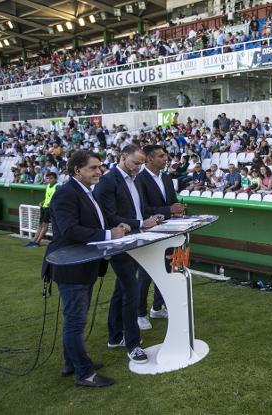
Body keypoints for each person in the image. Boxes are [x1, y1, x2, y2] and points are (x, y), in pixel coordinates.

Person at [42, 150, 128, 387]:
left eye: (100, 167)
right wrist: (109, 234)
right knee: (75, 322)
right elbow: (70, 230)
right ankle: (84, 373)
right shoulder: (65, 194)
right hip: (71, 267)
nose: (99, 171)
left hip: (84, 265)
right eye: (93, 167)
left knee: (74, 319)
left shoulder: (86, 192)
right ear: (77, 170)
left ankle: (71, 363)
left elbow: (95, 222)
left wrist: (115, 227)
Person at [93, 144, 163, 365]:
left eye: (141, 163)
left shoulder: (135, 178)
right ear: (123, 157)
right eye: (136, 163)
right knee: (130, 291)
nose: (139, 167)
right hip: (120, 243)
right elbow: (110, 217)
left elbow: (139, 210)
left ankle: (115, 337)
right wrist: (142, 223)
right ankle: (133, 344)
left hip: (135, 240)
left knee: (121, 290)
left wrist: (153, 218)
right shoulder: (107, 181)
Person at [135, 145, 186, 330]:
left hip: (169, 231)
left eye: (165, 155)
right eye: (161, 156)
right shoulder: (139, 179)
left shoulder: (165, 177)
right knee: (146, 275)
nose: (166, 159)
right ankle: (140, 313)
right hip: (149, 233)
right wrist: (169, 210)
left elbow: (171, 201)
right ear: (149, 159)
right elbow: (142, 210)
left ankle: (157, 307)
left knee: (166, 270)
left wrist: (177, 209)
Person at [26, 172, 59, 247]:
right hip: (44, 207)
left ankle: (37, 242)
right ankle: (33, 241)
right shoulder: (47, 186)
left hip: (49, 208)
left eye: (51, 178)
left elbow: (58, 198)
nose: (49, 180)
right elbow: (47, 197)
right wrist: (42, 202)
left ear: (55, 179)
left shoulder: (57, 186)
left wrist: (51, 204)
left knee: (44, 225)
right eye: (47, 178)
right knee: (40, 224)